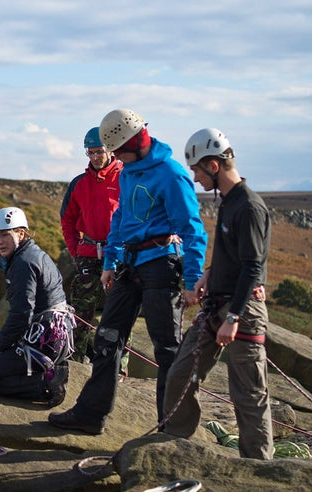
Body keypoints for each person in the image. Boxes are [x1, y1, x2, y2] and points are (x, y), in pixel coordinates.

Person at [49, 109, 208, 434]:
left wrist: (192, 279)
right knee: (107, 338)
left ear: (134, 141)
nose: (114, 158)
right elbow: (120, 219)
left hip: (162, 264)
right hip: (128, 265)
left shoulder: (171, 174)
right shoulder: (130, 171)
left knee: (166, 348)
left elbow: (192, 230)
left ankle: (171, 428)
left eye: (117, 151)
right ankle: (90, 415)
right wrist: (109, 263)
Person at [163, 128, 274, 459]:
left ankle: (258, 467)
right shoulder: (229, 203)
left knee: (248, 393)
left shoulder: (250, 207)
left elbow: (253, 267)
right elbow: (234, 256)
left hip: (242, 311)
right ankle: (176, 442)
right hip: (219, 305)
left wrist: (234, 317)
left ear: (213, 164)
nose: (195, 178)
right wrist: (209, 273)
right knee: (180, 374)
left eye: (197, 170)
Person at [0, 207, 74, 408]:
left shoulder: (23, 263)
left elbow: (22, 314)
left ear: (21, 233)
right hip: (52, 337)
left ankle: (46, 385)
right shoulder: (34, 253)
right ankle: (50, 371)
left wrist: (1, 345)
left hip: (42, 341)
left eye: (5, 234)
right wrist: (3, 342)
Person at [60, 126, 128, 367]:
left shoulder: (125, 177)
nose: (95, 157)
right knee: (80, 312)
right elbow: (67, 220)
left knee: (120, 312)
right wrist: (76, 252)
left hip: (119, 255)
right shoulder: (79, 183)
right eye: (90, 153)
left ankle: (118, 366)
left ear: (110, 150)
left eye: (99, 151)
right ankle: (75, 362)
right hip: (88, 254)